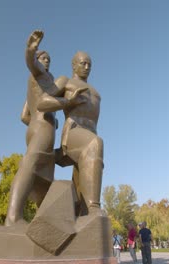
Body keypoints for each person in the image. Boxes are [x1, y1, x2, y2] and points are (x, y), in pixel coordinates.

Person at [5, 30, 85, 226]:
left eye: (49, 59)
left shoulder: (37, 84)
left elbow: (24, 115)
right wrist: (30, 50)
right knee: (30, 165)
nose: (46, 62)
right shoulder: (42, 76)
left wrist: (45, 121)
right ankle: (13, 217)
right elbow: (32, 65)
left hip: (35, 127)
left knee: (43, 179)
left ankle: (43, 222)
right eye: (43, 58)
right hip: (42, 130)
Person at [55, 51, 103, 216]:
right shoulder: (65, 81)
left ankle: (82, 215)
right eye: (83, 63)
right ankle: (94, 208)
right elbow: (42, 102)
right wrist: (68, 101)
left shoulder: (95, 91)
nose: (87, 67)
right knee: (95, 143)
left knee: (80, 194)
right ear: (74, 65)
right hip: (74, 131)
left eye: (90, 64)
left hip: (89, 134)